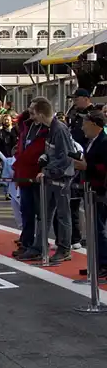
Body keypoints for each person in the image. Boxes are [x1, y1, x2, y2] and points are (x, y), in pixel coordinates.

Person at [28, 97, 75, 262]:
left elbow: (66, 157)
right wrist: (45, 159)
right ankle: (39, 246)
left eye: (33, 113)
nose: (31, 117)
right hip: (52, 177)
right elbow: (55, 154)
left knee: (62, 215)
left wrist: (48, 170)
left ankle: (64, 248)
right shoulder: (50, 129)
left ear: (41, 114)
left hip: (61, 179)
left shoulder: (59, 129)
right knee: (45, 214)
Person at [13, 100, 51, 259]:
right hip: (24, 174)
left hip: (38, 176)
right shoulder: (26, 126)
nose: (30, 114)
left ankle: (40, 245)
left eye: (33, 111)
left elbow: (50, 152)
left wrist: (44, 170)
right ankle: (27, 242)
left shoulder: (49, 128)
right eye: (29, 111)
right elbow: (21, 147)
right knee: (26, 211)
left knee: (41, 213)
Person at [66, 88, 101, 249]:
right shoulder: (74, 114)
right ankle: (76, 236)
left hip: (90, 161)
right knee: (74, 202)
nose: (74, 102)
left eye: (76, 98)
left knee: (91, 205)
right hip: (77, 161)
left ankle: (91, 236)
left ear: (86, 98)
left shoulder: (94, 114)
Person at [73, 110, 107, 278]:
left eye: (85, 123)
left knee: (99, 229)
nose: (82, 127)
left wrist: (87, 167)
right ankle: (96, 263)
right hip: (90, 189)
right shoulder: (91, 141)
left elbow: (104, 167)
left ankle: (103, 264)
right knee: (94, 229)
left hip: (100, 191)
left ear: (94, 124)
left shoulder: (104, 142)